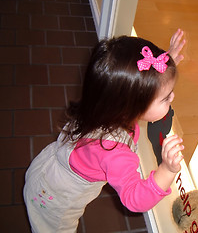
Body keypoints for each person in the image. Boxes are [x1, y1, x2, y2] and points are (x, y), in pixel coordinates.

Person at [23, 29, 186, 232]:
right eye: (165, 97)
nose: (172, 98)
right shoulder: (114, 152)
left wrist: (162, 69)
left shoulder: (104, 102)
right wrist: (167, 170)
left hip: (46, 166)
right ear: (133, 103)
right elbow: (135, 198)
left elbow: (138, 85)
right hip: (55, 199)